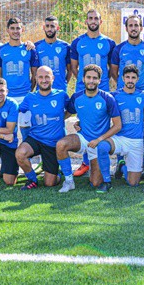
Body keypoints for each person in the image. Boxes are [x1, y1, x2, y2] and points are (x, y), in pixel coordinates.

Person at [57, 64, 122, 193]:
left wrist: (99, 139)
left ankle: (97, 166)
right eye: (88, 77)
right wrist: (54, 120)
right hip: (82, 138)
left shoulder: (107, 98)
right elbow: (68, 114)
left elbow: (118, 125)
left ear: (99, 80)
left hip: (98, 143)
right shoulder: (76, 97)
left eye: (94, 78)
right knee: (61, 145)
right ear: (83, 79)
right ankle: (69, 181)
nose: (91, 81)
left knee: (96, 182)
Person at [69, 9, 116, 176]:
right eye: (90, 18)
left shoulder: (109, 43)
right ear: (86, 21)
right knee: (83, 124)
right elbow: (74, 67)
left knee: (102, 124)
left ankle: (100, 160)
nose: (93, 21)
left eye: (96, 18)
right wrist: (86, 82)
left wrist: (99, 82)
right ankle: (85, 162)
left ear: (100, 22)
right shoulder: (77, 42)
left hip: (102, 89)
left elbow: (112, 67)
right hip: (84, 89)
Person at [16, 67, 70, 190]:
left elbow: (72, 110)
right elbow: (16, 110)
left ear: (53, 78)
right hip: (35, 138)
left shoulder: (61, 95)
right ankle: (32, 179)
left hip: (53, 143)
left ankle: (57, 171)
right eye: (40, 77)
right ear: (36, 78)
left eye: (47, 77)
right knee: (20, 153)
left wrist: (62, 118)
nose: (44, 80)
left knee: (49, 183)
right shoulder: (30, 97)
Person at [0, 18, 39, 141]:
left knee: (26, 130)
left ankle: (26, 152)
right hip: (8, 97)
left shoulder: (30, 50)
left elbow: (34, 75)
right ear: (7, 30)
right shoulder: (0, 51)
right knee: (10, 130)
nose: (15, 31)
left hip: (25, 96)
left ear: (22, 30)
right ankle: (11, 153)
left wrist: (29, 91)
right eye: (12, 28)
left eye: (18, 28)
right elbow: (0, 76)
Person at [107, 65, 144, 186]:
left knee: (133, 183)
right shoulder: (114, 96)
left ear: (137, 79)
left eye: (133, 77)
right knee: (102, 146)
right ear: (123, 78)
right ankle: (105, 180)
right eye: (128, 77)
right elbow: (103, 114)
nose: (130, 80)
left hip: (136, 141)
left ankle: (122, 167)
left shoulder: (143, 95)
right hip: (119, 138)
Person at [110, 14, 144, 93]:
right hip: (123, 92)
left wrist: (143, 84)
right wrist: (123, 84)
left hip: (142, 92)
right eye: (130, 26)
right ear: (126, 29)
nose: (133, 28)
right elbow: (113, 72)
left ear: (141, 28)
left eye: (136, 25)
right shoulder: (119, 48)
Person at [35, 16, 71, 91]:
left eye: (52, 26)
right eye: (47, 26)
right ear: (44, 28)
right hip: (41, 91)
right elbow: (34, 71)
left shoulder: (66, 47)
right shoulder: (36, 47)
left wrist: (64, 83)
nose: (49, 29)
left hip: (60, 90)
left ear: (57, 28)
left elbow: (70, 70)